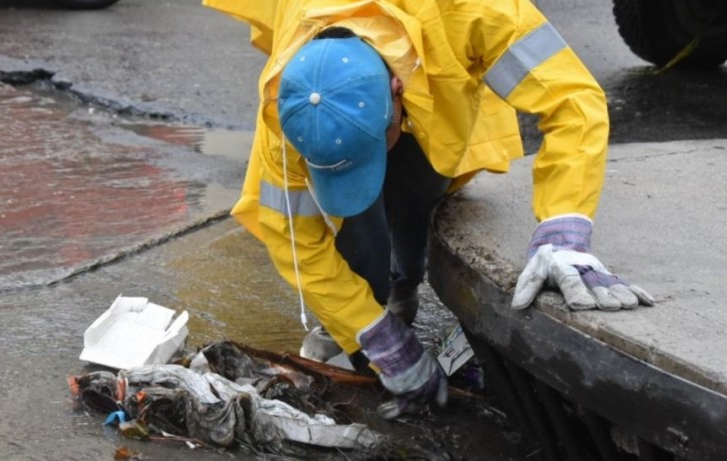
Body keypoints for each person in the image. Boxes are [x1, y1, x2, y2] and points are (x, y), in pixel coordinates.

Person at [202, 0, 655, 419]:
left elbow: (574, 101)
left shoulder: (474, 12)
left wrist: (563, 227)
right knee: (346, 222)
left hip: (435, 72)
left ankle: (404, 276)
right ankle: (375, 300)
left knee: (423, 177)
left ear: (398, 91)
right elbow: (290, 232)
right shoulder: (292, 105)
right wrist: (365, 327)